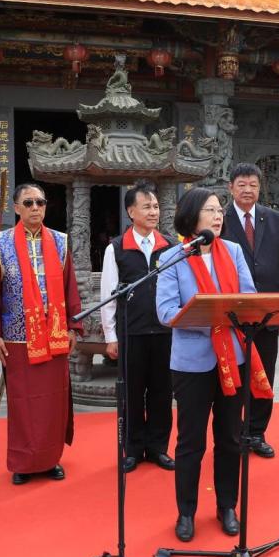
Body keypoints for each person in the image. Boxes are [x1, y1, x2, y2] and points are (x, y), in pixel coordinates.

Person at [156, 187, 265, 542]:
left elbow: (248, 296)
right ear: (191, 216)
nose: (218, 216)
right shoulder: (171, 258)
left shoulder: (232, 251)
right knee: (190, 441)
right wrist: (212, 318)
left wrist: (230, 314)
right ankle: (185, 511)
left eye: (220, 211)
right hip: (192, 362)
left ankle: (227, 506)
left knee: (231, 436)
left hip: (233, 356)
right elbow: (166, 312)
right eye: (210, 210)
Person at [0, 183, 83, 484]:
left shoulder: (60, 242)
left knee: (52, 401)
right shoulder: (0, 243)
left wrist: (72, 327)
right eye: (28, 203)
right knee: (23, 402)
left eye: (40, 202)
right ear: (16, 208)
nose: (35, 208)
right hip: (18, 336)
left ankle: (50, 459)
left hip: (53, 336)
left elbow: (70, 288)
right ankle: (24, 462)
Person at [100, 182, 176, 473]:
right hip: (132, 333)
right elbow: (108, 297)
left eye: (155, 206)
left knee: (161, 392)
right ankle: (132, 449)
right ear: (131, 211)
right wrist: (111, 336)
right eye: (147, 206)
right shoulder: (116, 248)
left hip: (165, 333)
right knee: (131, 394)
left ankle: (158, 448)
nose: (153, 211)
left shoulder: (170, 246)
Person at [219, 163, 279, 459]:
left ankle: (257, 432)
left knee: (265, 375)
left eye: (253, 185)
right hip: (232, 314)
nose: (248, 190)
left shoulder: (273, 218)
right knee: (235, 375)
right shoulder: (219, 220)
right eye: (242, 185)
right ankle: (233, 433)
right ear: (231, 187)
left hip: (267, 314)